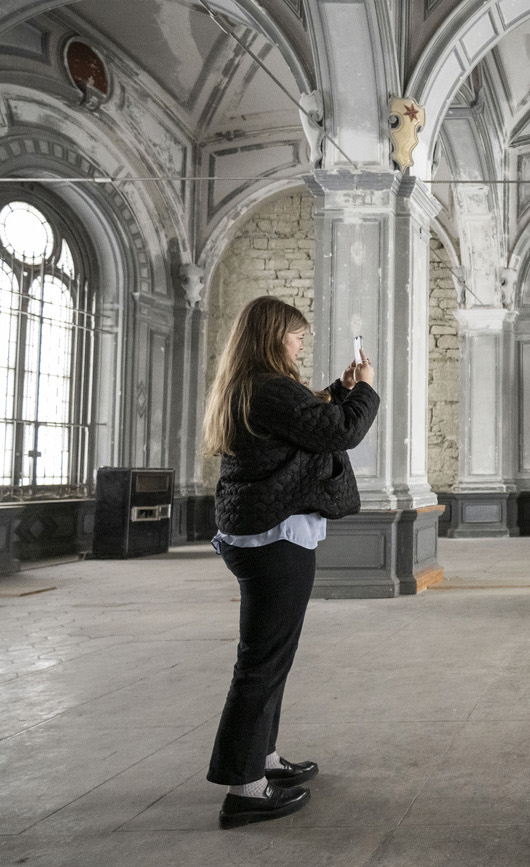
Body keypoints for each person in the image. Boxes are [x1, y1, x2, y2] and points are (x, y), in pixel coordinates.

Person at [200, 295, 379, 829]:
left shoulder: (253, 387)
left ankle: (264, 759)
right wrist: (365, 389)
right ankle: (245, 789)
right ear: (274, 335)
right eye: (297, 334)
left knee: (271, 657)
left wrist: (336, 392)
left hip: (263, 532)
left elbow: (305, 421)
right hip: (273, 537)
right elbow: (339, 431)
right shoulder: (268, 387)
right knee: (261, 663)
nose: (302, 341)